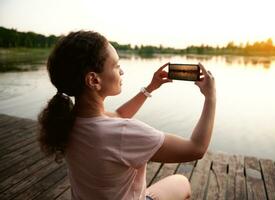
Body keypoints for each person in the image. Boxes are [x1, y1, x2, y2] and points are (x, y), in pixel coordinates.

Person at [38, 31, 216, 200]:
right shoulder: (123, 133)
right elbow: (196, 149)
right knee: (182, 182)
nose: (121, 71)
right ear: (94, 80)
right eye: (116, 65)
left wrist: (150, 87)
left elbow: (118, 115)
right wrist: (210, 97)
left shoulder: (67, 120)